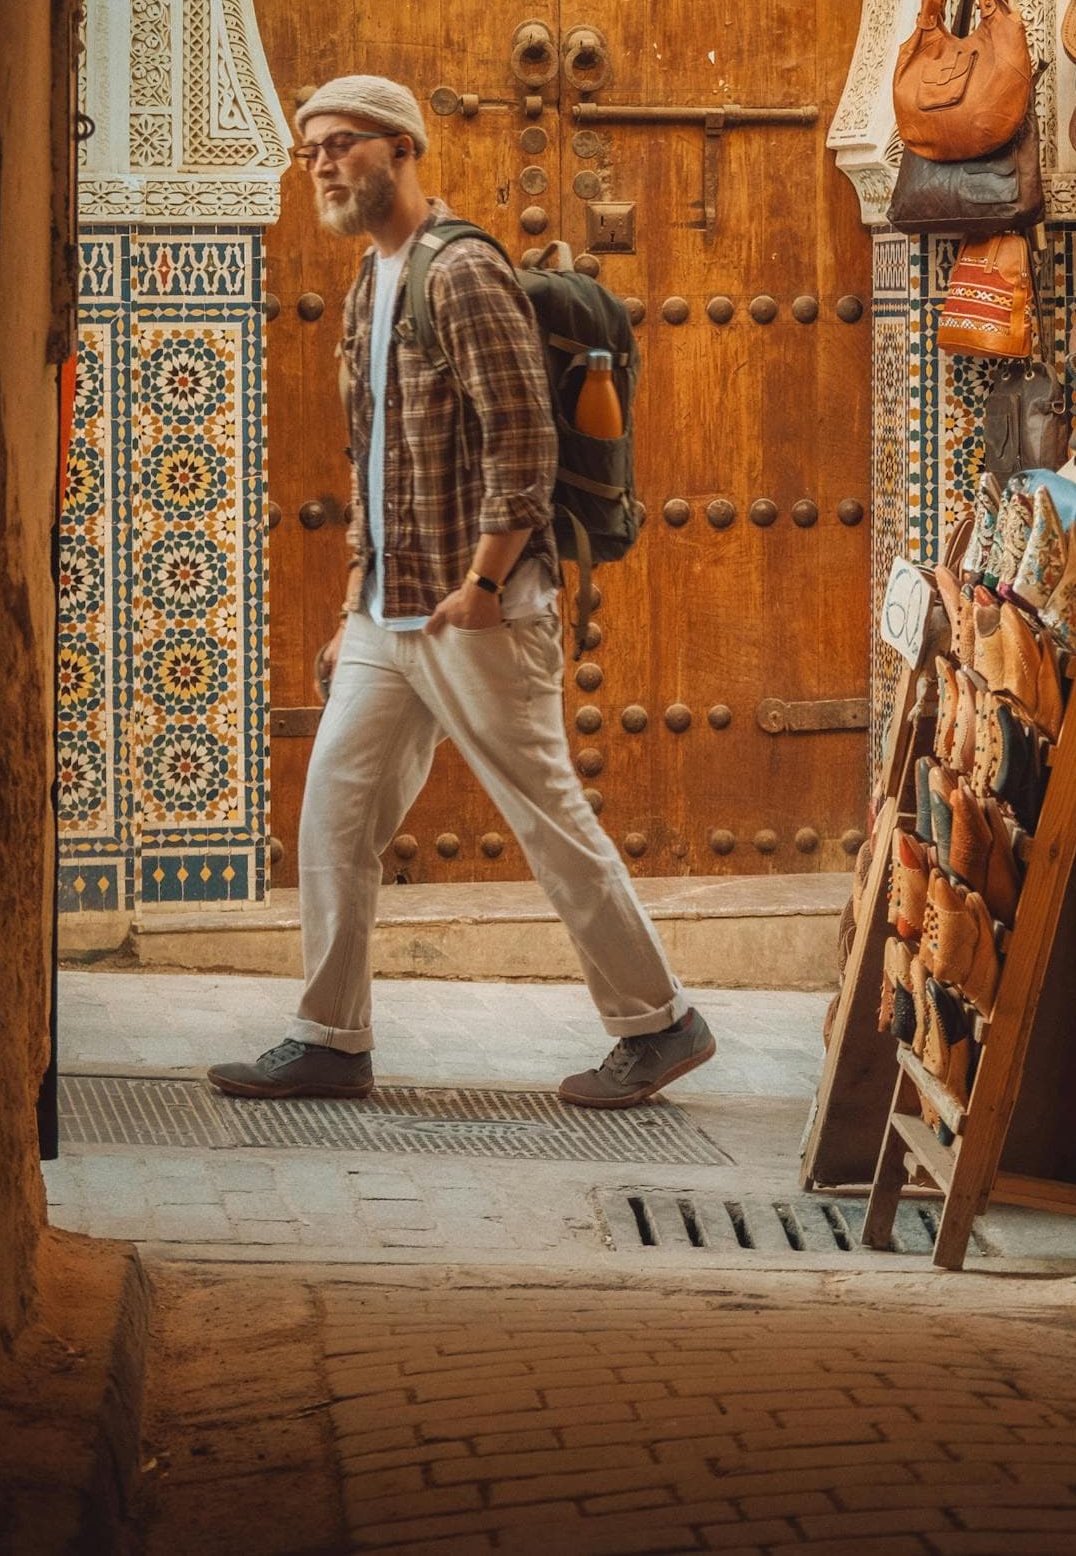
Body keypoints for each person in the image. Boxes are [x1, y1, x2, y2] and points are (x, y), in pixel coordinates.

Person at [208, 72, 715, 1108]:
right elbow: (374, 457)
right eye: (312, 151)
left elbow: (523, 437)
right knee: (335, 818)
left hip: (476, 609)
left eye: (344, 145)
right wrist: (356, 599)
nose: (324, 165)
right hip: (391, 613)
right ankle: (330, 1038)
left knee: (545, 818)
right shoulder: (367, 279)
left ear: (400, 147)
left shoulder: (462, 270)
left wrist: (486, 579)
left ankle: (659, 1023)